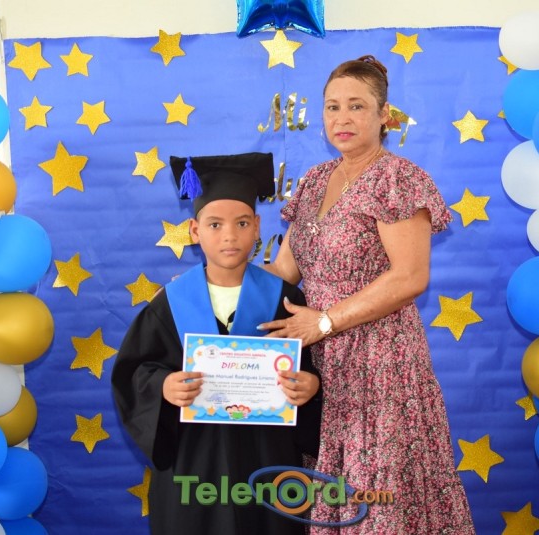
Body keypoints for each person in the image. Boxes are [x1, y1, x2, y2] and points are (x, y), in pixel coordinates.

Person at [259, 56, 475, 533]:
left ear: (384, 116)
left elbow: (410, 277)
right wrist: (215, 286)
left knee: (380, 493)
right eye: (332, 106)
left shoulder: (398, 178)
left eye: (357, 106)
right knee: (332, 484)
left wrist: (325, 321)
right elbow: (284, 271)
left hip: (381, 361)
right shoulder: (315, 180)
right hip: (320, 362)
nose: (342, 118)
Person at [111, 152, 322, 535]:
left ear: (257, 227)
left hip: (267, 463)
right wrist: (163, 386)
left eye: (242, 223)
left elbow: (314, 371)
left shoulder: (287, 300)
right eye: (214, 224)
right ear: (194, 230)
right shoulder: (170, 304)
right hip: (193, 468)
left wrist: (311, 388)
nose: (229, 235)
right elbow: (135, 372)